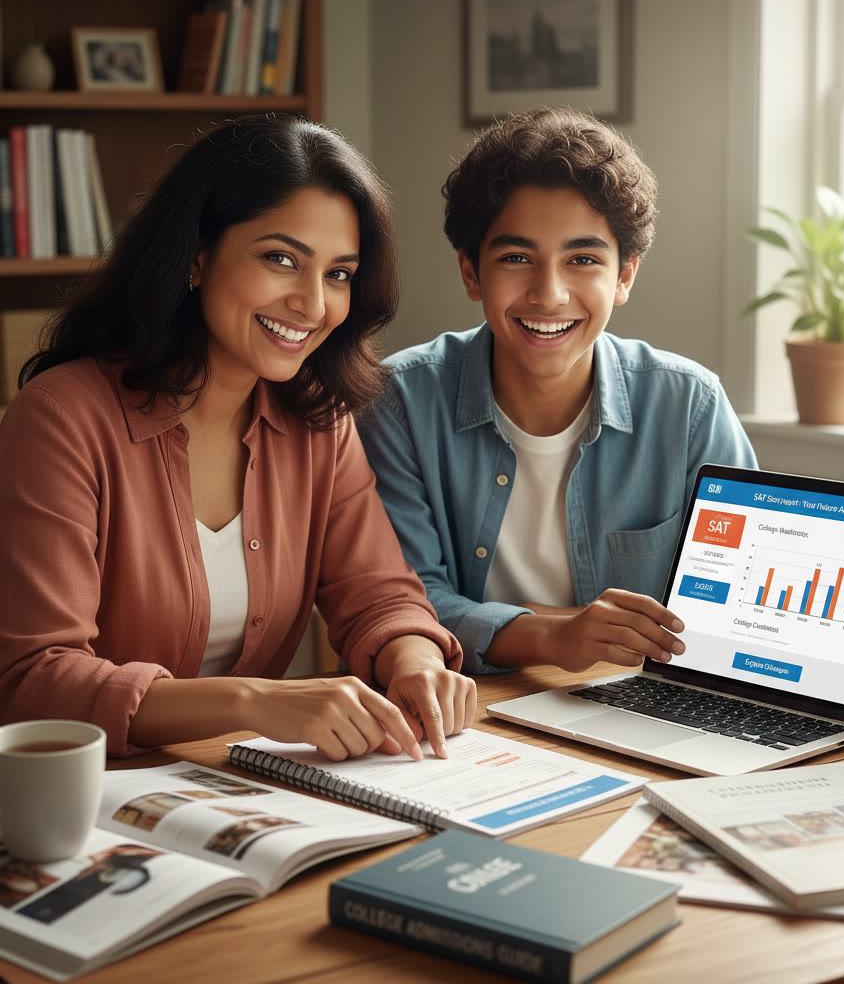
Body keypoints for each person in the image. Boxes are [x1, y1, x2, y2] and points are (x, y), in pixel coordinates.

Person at [0, 113, 475, 760]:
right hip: (92, 793)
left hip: (241, 786)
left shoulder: (319, 420)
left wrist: (414, 659)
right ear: (197, 255)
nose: (313, 305)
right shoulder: (61, 418)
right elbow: (35, 679)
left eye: (338, 274)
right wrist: (253, 702)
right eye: (281, 259)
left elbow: (378, 595)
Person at [359, 106, 757, 676]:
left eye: (583, 259)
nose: (549, 294)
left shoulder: (690, 407)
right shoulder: (400, 403)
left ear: (624, 276)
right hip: (472, 704)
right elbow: (404, 604)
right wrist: (556, 636)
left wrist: (575, 635)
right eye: (516, 258)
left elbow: (740, 605)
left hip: (637, 701)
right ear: (471, 272)